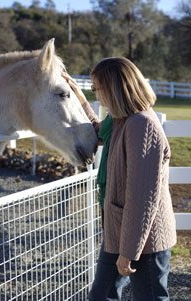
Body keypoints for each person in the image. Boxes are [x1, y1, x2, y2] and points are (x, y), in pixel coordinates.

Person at [62, 57, 177, 301]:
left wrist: (128, 253)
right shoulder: (121, 120)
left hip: (143, 240)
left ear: (115, 87)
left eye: (96, 88)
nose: (96, 93)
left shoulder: (141, 125)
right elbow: (96, 129)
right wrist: (78, 96)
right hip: (120, 232)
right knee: (101, 296)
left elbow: (142, 197)